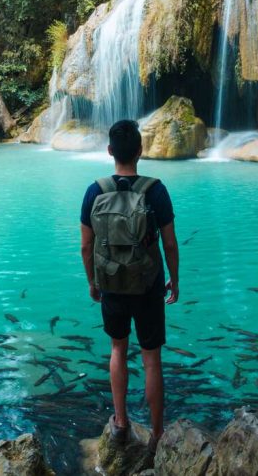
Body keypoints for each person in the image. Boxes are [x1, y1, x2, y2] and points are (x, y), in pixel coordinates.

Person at [79, 119, 179, 452]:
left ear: (110, 151)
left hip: (111, 283)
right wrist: (174, 281)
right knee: (152, 359)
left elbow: (85, 245)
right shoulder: (156, 190)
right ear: (140, 150)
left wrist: (93, 283)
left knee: (118, 350)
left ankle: (120, 423)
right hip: (148, 284)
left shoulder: (95, 191)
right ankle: (158, 434)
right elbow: (170, 243)